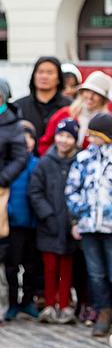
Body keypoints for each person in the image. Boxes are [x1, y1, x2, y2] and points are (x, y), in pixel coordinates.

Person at [65, 113, 112, 338]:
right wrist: (79, 212)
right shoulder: (83, 158)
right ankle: (102, 312)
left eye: (94, 135)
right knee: (95, 274)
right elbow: (72, 188)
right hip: (88, 226)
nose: (90, 138)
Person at [28, 119, 80, 324]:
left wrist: (73, 219)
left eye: (69, 137)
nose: (64, 140)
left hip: (69, 225)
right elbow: (35, 191)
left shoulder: (78, 161)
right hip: (49, 225)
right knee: (50, 268)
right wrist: (47, 214)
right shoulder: (45, 162)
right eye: (61, 135)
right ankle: (49, 304)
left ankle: (65, 305)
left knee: (67, 268)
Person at [4, 122, 40, 321]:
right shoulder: (7, 165)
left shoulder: (37, 164)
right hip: (12, 223)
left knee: (31, 265)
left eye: (29, 138)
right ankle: (12, 303)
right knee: (11, 266)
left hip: (33, 224)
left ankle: (27, 301)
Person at [38, 70, 112, 155]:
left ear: (103, 100)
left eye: (96, 94)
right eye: (87, 91)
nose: (90, 97)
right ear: (82, 93)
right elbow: (44, 144)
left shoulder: (108, 123)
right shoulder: (64, 114)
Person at [0, 79, 28, 315]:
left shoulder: (12, 124)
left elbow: (20, 158)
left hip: (1, 191)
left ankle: (4, 305)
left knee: (4, 254)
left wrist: (2, 178)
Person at [13, 57, 71, 146]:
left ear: (59, 78)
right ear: (34, 76)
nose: (44, 76)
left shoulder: (70, 107)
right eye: (40, 72)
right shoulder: (18, 106)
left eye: (50, 72)